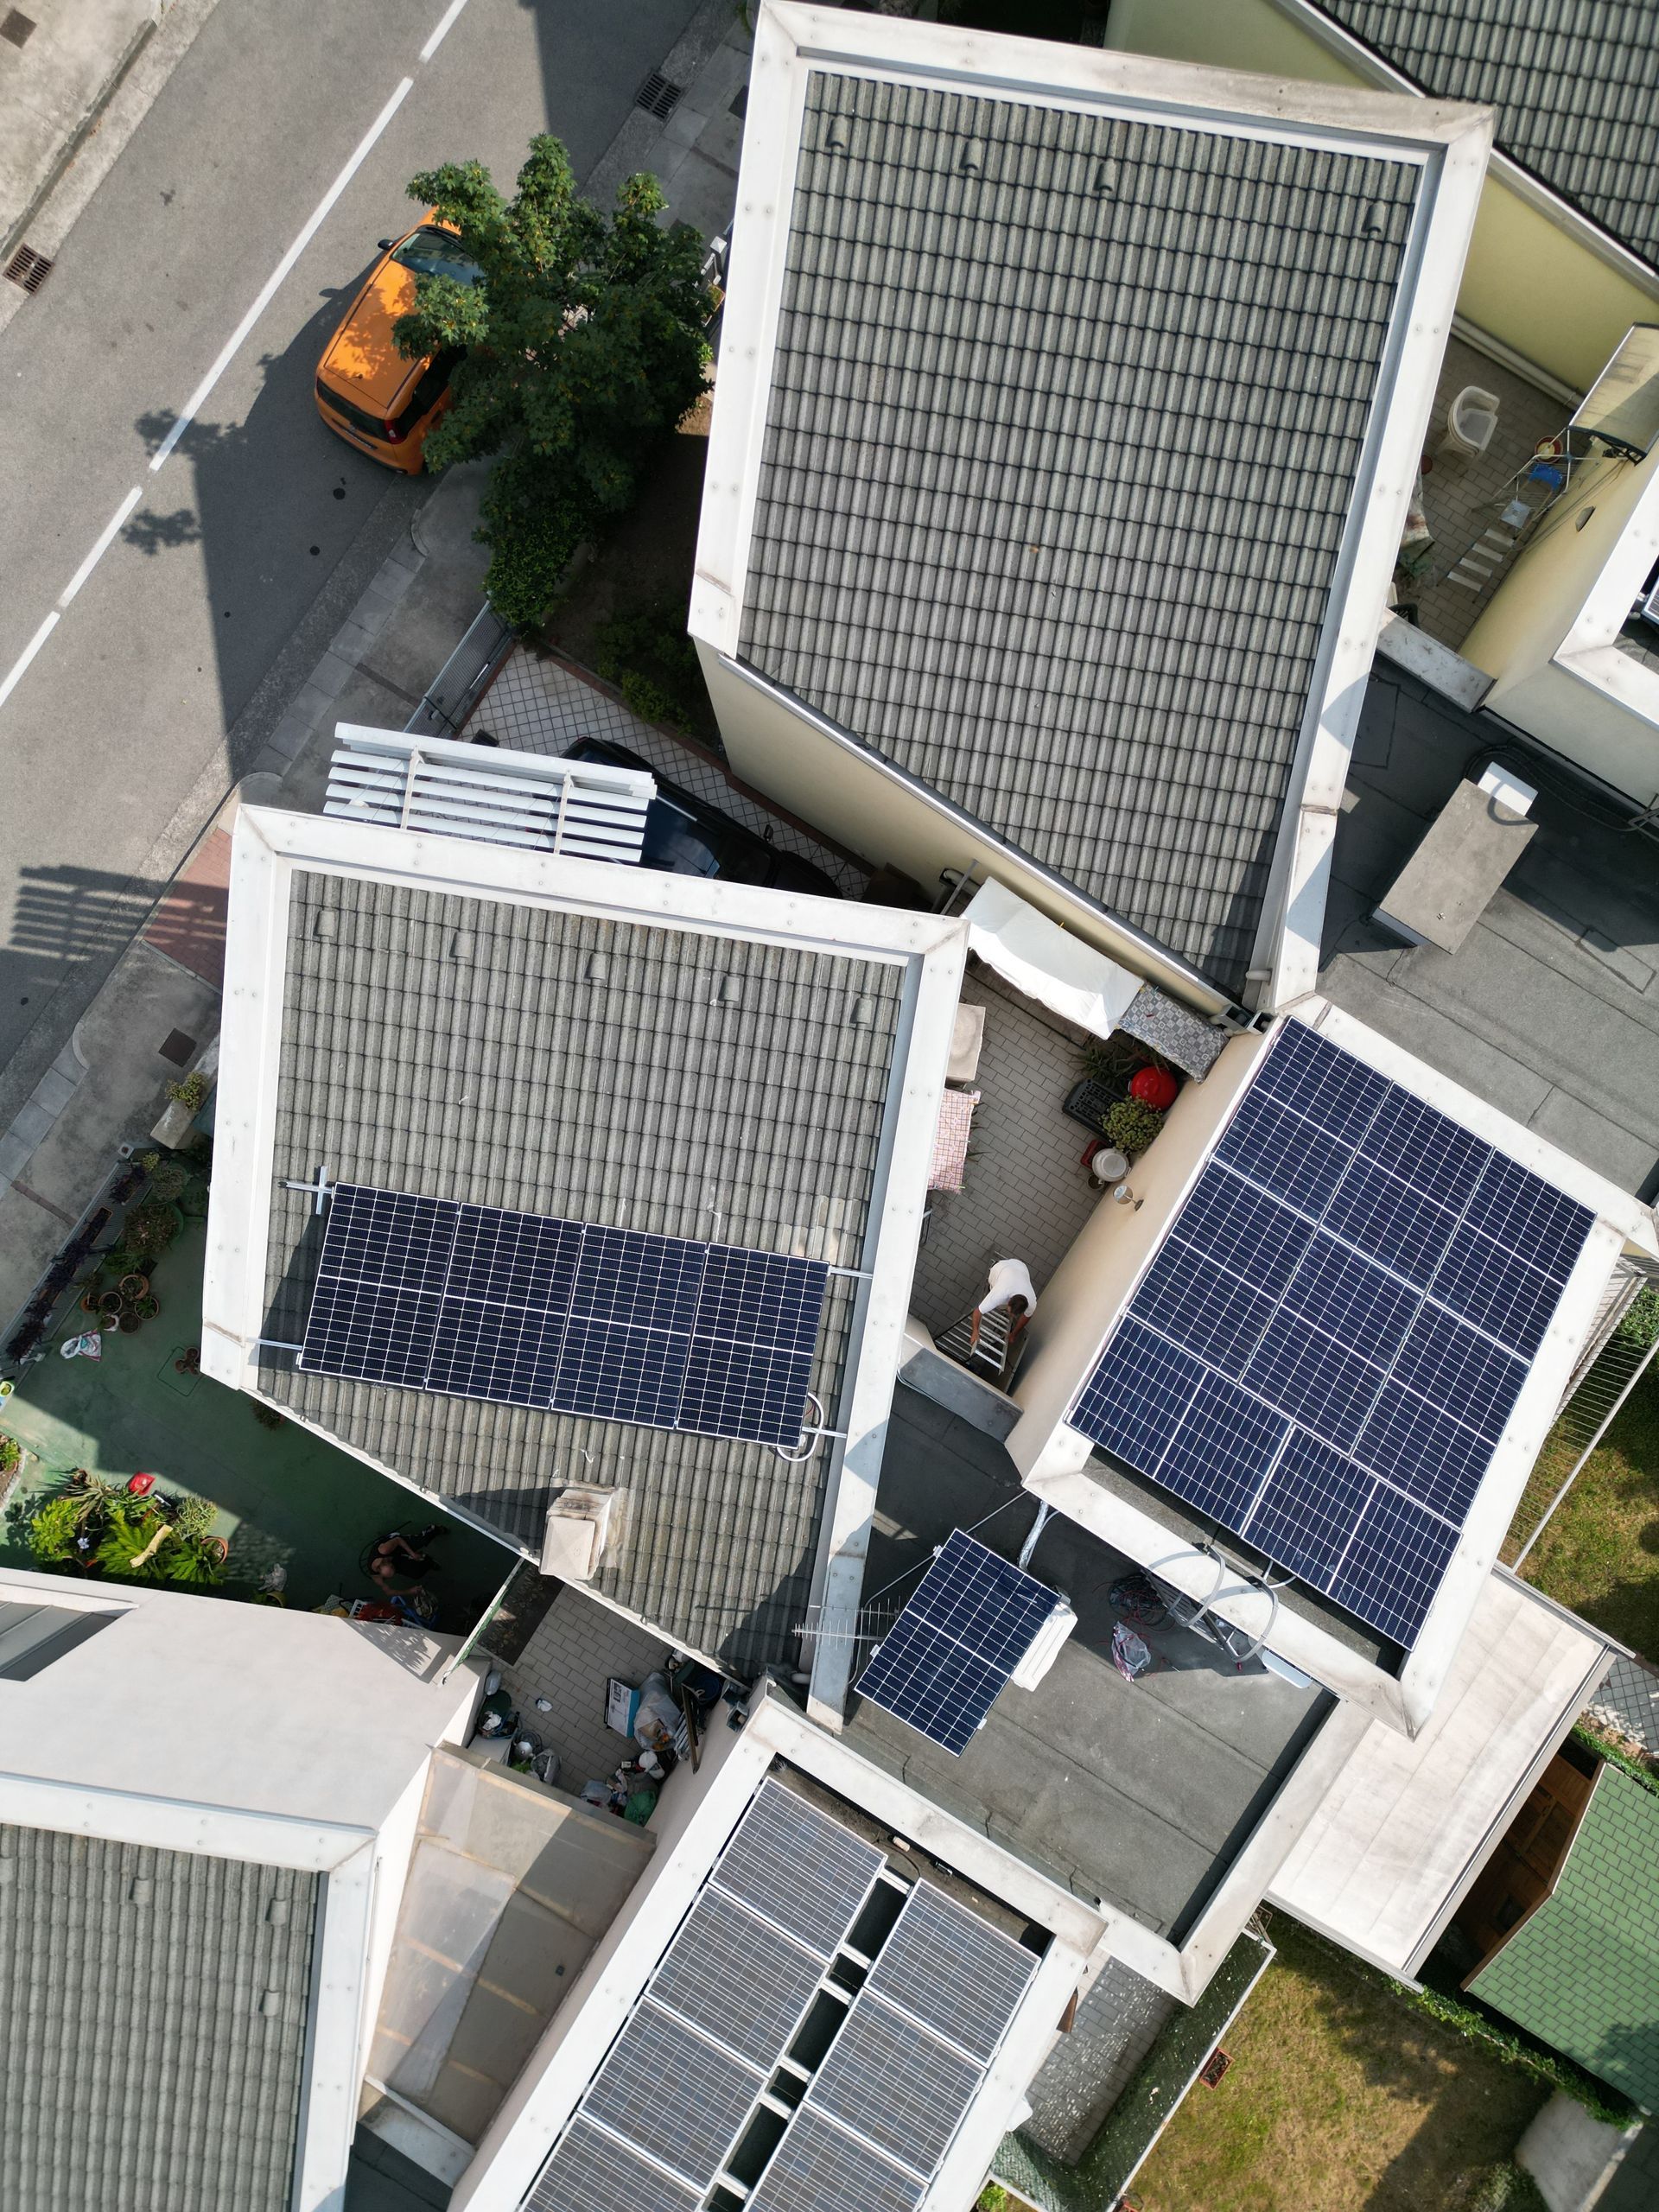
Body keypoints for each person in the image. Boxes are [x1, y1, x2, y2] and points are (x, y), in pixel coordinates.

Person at [969, 1258, 1038, 1376]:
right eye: (1010, 1311)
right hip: (999, 1269)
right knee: (998, 1306)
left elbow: (1027, 1316)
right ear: (1009, 1300)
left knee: (1001, 1306)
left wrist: (1013, 1334)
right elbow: (977, 1312)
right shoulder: (1000, 1293)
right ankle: (993, 1276)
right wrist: (975, 1331)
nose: (1010, 1315)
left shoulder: (1031, 1301)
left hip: (1020, 1266)